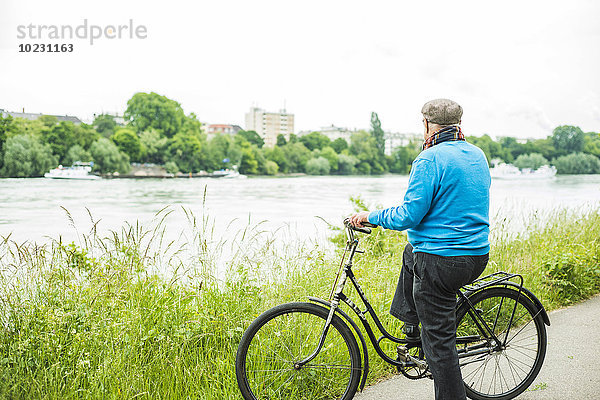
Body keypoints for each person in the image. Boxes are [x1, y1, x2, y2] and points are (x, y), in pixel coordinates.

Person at [349, 98, 491, 400]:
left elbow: (408, 216)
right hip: (477, 255)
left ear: (427, 124)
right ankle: (413, 331)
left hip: (442, 262)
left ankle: (428, 343)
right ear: (458, 124)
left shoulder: (429, 159)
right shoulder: (477, 155)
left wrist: (369, 216)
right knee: (411, 251)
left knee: (440, 347)